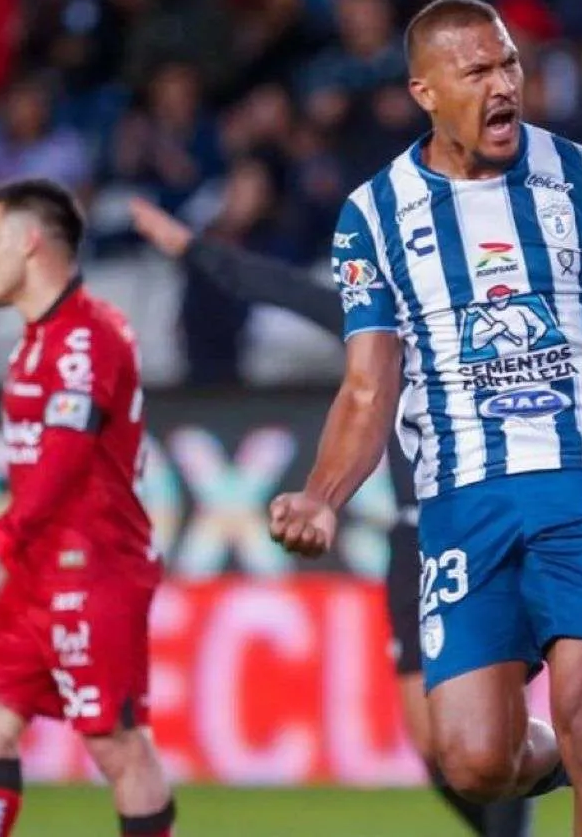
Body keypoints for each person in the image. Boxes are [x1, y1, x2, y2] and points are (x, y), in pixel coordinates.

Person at [176, 0, 582, 837]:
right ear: (425, 91)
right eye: (477, 70)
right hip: (464, 503)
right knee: (476, 759)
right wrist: (322, 496)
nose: (503, 85)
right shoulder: (373, 217)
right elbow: (368, 389)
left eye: (510, 64)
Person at [128, 198, 534, 836]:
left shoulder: (504, 324)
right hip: (411, 538)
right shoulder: (382, 327)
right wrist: (191, 249)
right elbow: (284, 289)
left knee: (484, 723)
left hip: (483, 528)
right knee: (433, 744)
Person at [0, 179, 175, 837]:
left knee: (116, 746)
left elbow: (66, 458)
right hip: (35, 575)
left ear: (28, 242)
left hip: (94, 571)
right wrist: (16, 556)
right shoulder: (36, 341)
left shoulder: (88, 337)